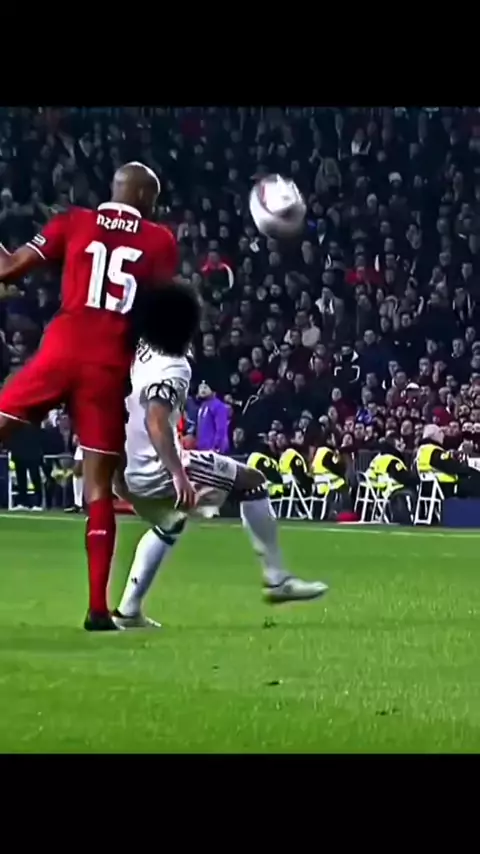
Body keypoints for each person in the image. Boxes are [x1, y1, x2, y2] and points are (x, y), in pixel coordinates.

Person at [0, 162, 179, 631]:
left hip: (60, 352)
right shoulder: (160, 240)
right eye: (153, 197)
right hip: (107, 368)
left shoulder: (73, 222)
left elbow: (9, 268)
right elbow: (159, 312)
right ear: (142, 196)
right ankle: (98, 609)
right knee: (98, 487)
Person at [112, 283, 328, 629]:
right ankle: (276, 579)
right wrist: (178, 474)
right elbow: (156, 419)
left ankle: (128, 612)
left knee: (170, 522)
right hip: (157, 467)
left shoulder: (141, 347)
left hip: (125, 464)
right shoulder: (175, 367)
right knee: (253, 483)